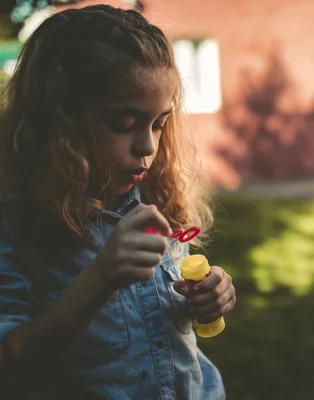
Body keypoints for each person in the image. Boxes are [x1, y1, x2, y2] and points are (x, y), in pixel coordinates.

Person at [0, 5, 235, 399]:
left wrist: (207, 296)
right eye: (123, 124)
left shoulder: (155, 199)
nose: (148, 146)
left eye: (159, 123)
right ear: (61, 122)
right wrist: (100, 278)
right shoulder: (18, 223)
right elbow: (12, 364)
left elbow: (164, 327)